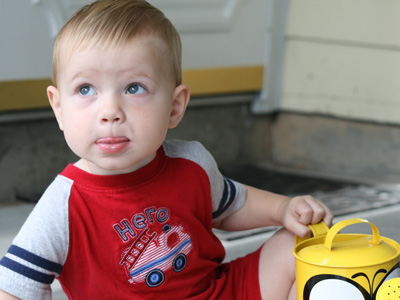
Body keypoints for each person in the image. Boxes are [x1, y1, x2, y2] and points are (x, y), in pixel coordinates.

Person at [0, 0, 333, 299]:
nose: (110, 111)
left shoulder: (191, 163)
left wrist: (284, 209)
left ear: (174, 107)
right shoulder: (63, 206)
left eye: (134, 88)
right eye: (85, 88)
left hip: (218, 292)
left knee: (299, 245)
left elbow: (231, 206)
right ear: (59, 108)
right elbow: (15, 286)